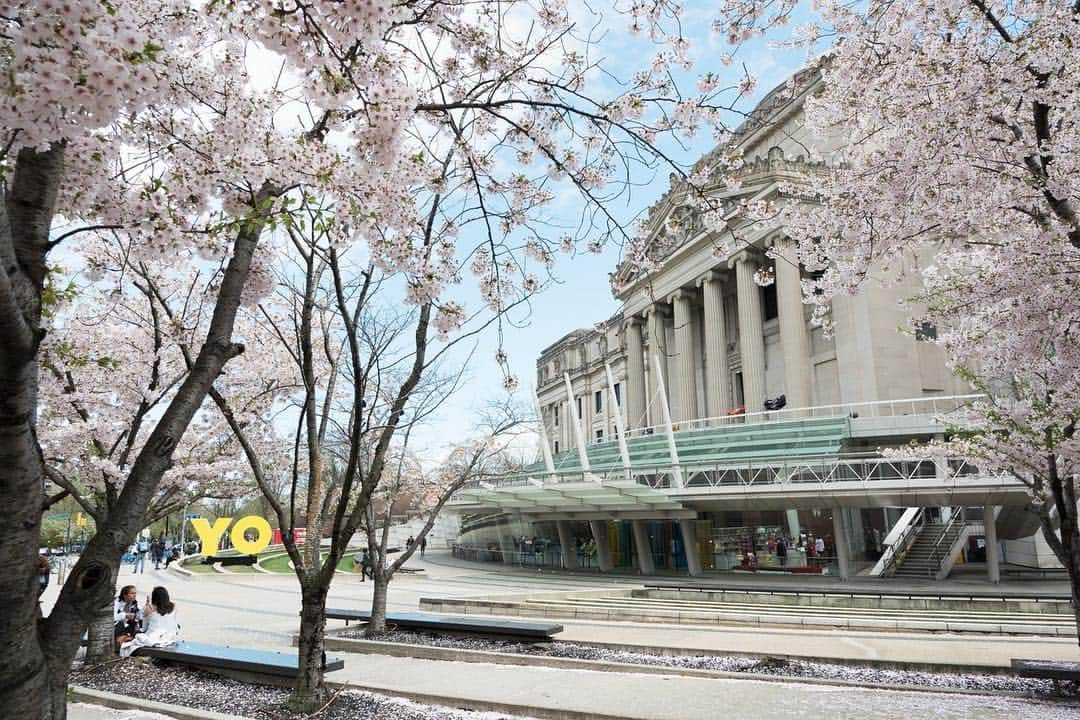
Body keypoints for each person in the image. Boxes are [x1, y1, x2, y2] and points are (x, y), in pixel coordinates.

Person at [120, 586, 179, 658]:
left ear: (154, 597)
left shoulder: (149, 608)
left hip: (154, 637)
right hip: (171, 635)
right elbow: (172, 621)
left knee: (136, 635)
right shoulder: (173, 606)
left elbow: (144, 628)